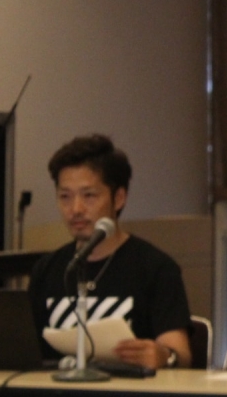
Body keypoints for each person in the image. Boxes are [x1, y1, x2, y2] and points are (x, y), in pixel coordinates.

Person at [28, 134, 192, 369]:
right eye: (65, 197)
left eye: (89, 196)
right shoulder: (47, 269)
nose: (76, 209)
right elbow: (25, 350)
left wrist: (165, 356)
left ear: (119, 198)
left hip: (130, 391)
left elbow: (181, 355)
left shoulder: (155, 268)